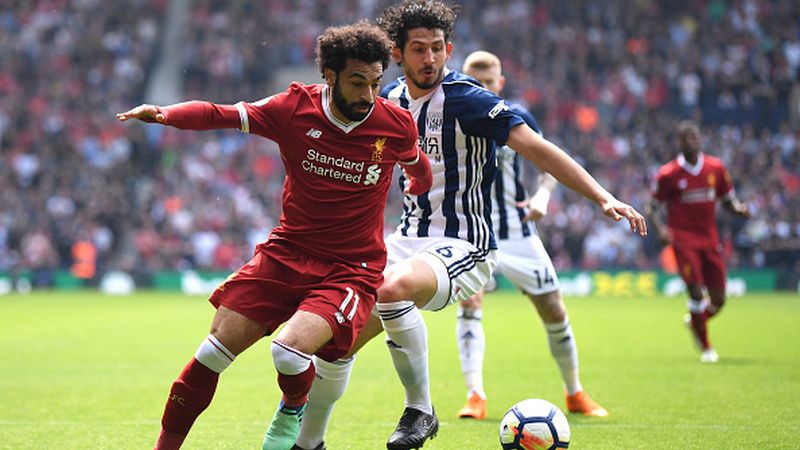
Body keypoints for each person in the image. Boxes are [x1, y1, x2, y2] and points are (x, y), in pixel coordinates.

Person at [290, 3, 646, 449]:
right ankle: (308, 444)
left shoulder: (468, 100)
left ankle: (420, 411)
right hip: (406, 240)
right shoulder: (388, 102)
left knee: (391, 289)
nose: (429, 59)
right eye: (418, 49)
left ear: (448, 50)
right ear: (398, 54)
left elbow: (539, 148)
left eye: (437, 49)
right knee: (336, 344)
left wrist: (603, 197)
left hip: (465, 244)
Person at [117, 21, 432, 450]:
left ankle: (292, 407)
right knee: (211, 353)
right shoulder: (293, 108)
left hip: (350, 269)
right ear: (331, 75)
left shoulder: (395, 124)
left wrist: (419, 183)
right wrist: (165, 114)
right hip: (286, 253)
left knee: (287, 352)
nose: (367, 95)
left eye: (376, 83)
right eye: (358, 82)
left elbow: (417, 165)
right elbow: (221, 113)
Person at [453, 50, 608, 421]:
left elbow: (547, 164)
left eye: (489, 83)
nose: (483, 89)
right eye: (475, 83)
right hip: (470, 231)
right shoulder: (452, 117)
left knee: (553, 309)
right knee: (470, 304)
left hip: (517, 232)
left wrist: (542, 195)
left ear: (500, 83)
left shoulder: (516, 117)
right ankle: (475, 395)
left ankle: (575, 392)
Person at [648, 120, 750, 363]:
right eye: (685, 138)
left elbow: (727, 201)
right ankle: (706, 347)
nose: (690, 142)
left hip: (709, 237)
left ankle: (696, 319)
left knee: (719, 299)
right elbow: (652, 207)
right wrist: (661, 230)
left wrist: (739, 209)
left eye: (693, 137)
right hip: (682, 238)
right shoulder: (668, 174)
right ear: (679, 143)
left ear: (700, 139)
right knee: (695, 290)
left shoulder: (716, 168)